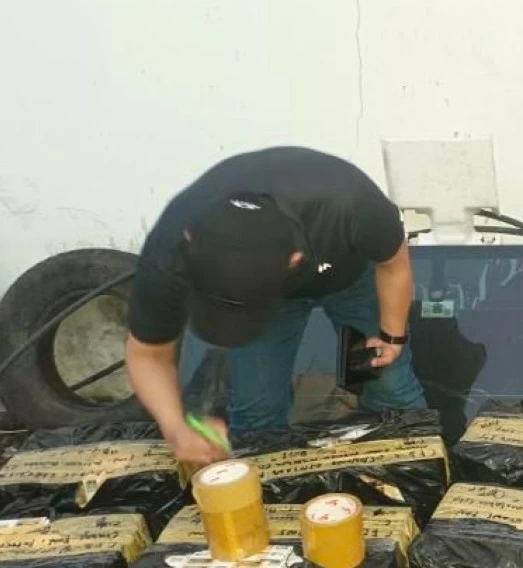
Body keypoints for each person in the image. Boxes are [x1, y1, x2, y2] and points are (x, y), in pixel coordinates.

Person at [125, 146, 427, 465]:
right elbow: (147, 354)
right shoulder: (169, 252)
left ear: (295, 259)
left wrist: (392, 336)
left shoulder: (349, 204)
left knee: (390, 386)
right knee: (257, 411)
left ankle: (412, 471)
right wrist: (175, 427)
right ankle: (266, 486)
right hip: (277, 296)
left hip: (350, 276)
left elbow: (393, 264)